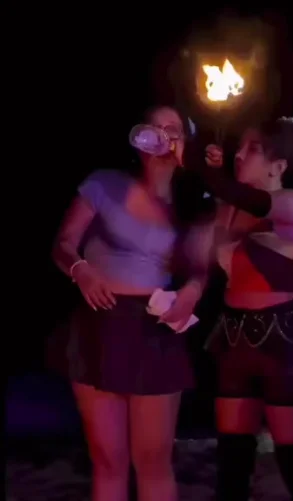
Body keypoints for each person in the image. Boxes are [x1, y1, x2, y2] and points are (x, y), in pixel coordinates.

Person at [51, 105, 213, 501]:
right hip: (99, 324)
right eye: (154, 127)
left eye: (172, 129)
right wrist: (81, 270)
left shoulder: (195, 202)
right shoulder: (105, 184)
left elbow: (201, 267)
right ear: (140, 137)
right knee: (108, 460)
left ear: (185, 140)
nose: (161, 135)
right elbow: (63, 244)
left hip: (154, 329)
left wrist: (192, 292)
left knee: (153, 460)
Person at [199, 117, 293, 501]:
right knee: (231, 465)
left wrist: (208, 169)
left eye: (253, 149)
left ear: (278, 165)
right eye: (240, 147)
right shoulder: (229, 208)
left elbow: (252, 201)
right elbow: (204, 257)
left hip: (282, 343)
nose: (239, 154)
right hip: (234, 338)